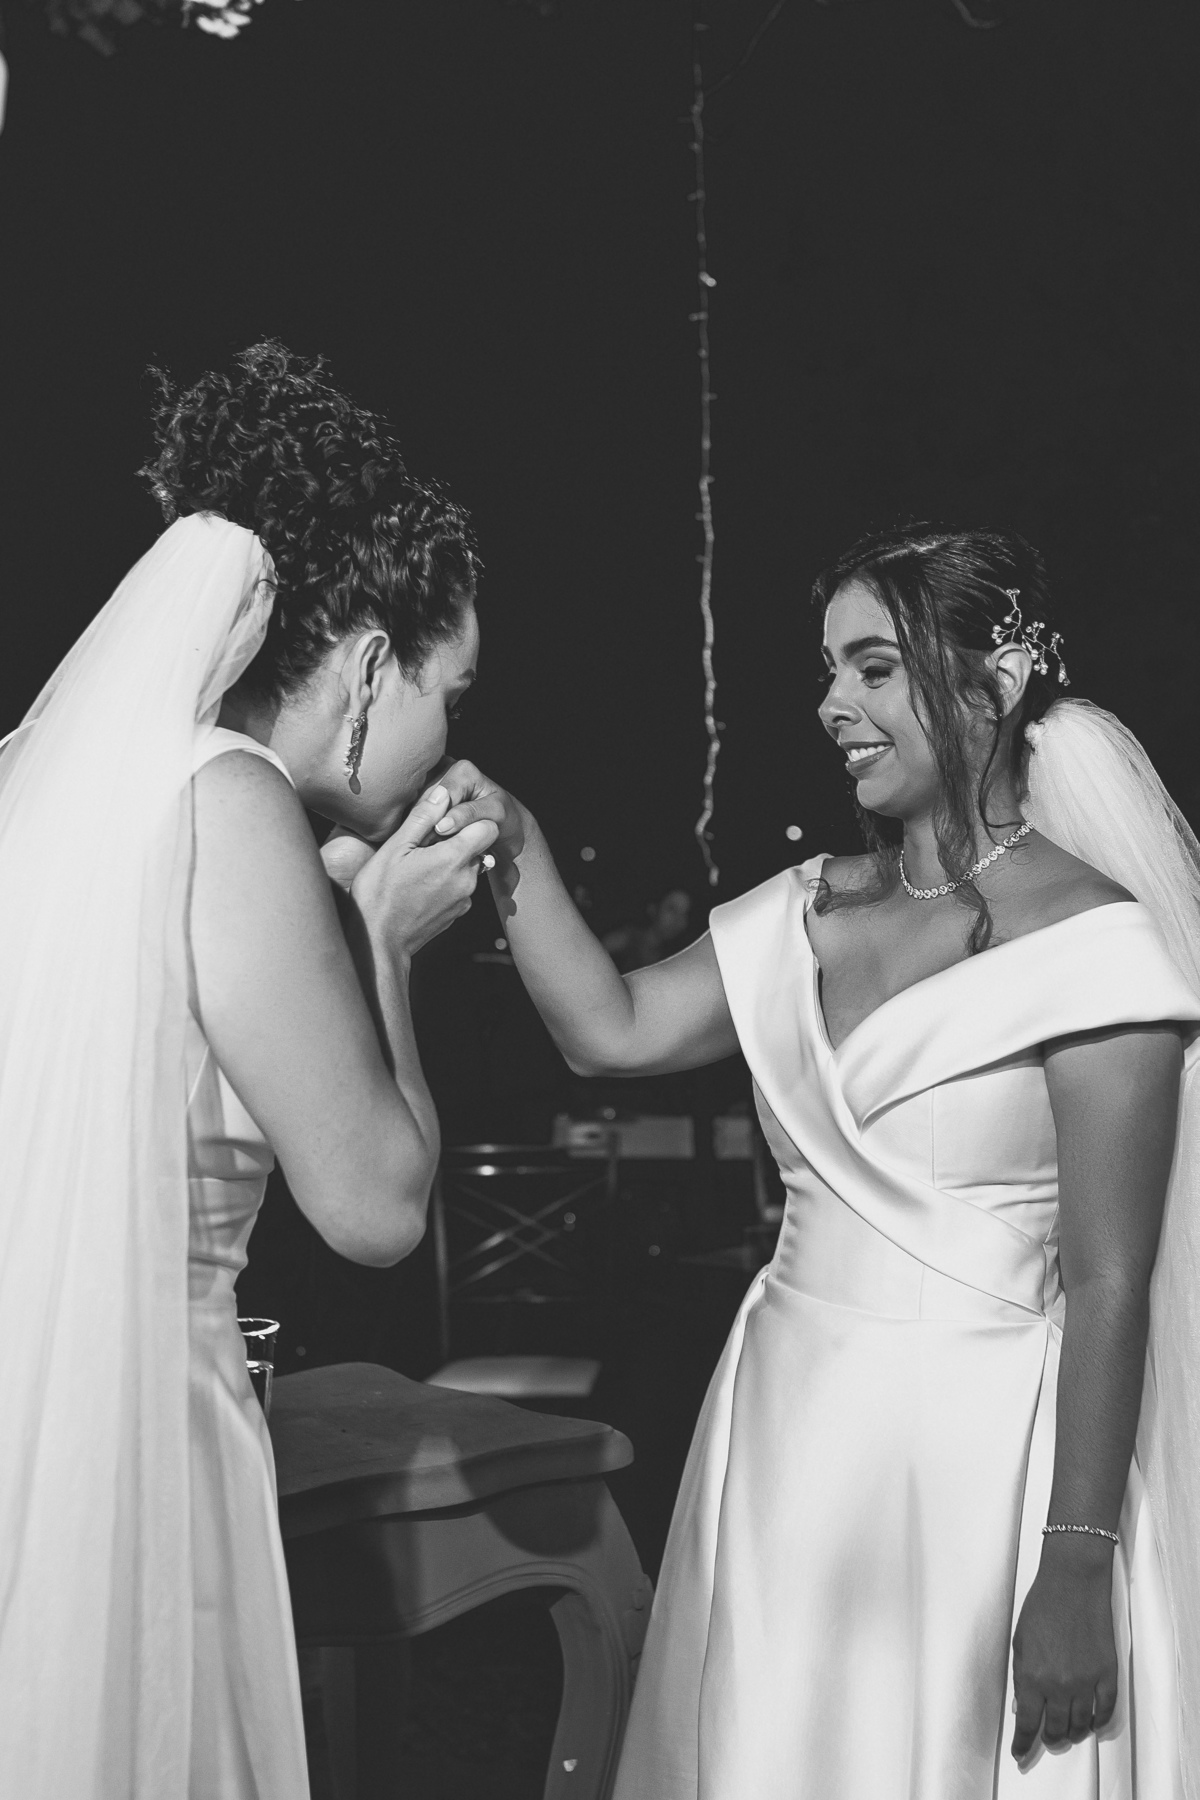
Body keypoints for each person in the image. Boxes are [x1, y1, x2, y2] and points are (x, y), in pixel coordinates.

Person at [432, 526, 1200, 1796]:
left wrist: (1075, 1560)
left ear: (996, 686)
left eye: (875, 668)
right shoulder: (804, 910)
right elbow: (610, 1032)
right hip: (785, 1425)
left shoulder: (1095, 948)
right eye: (829, 669)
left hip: (980, 1457)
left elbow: (1114, 1279)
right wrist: (514, 839)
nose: (833, 704)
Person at [0, 341, 504, 1798]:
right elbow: (376, 1206)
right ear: (367, 669)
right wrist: (389, 948)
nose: (448, 738)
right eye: (451, 692)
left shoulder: (65, 788)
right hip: (137, 1431)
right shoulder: (234, 802)